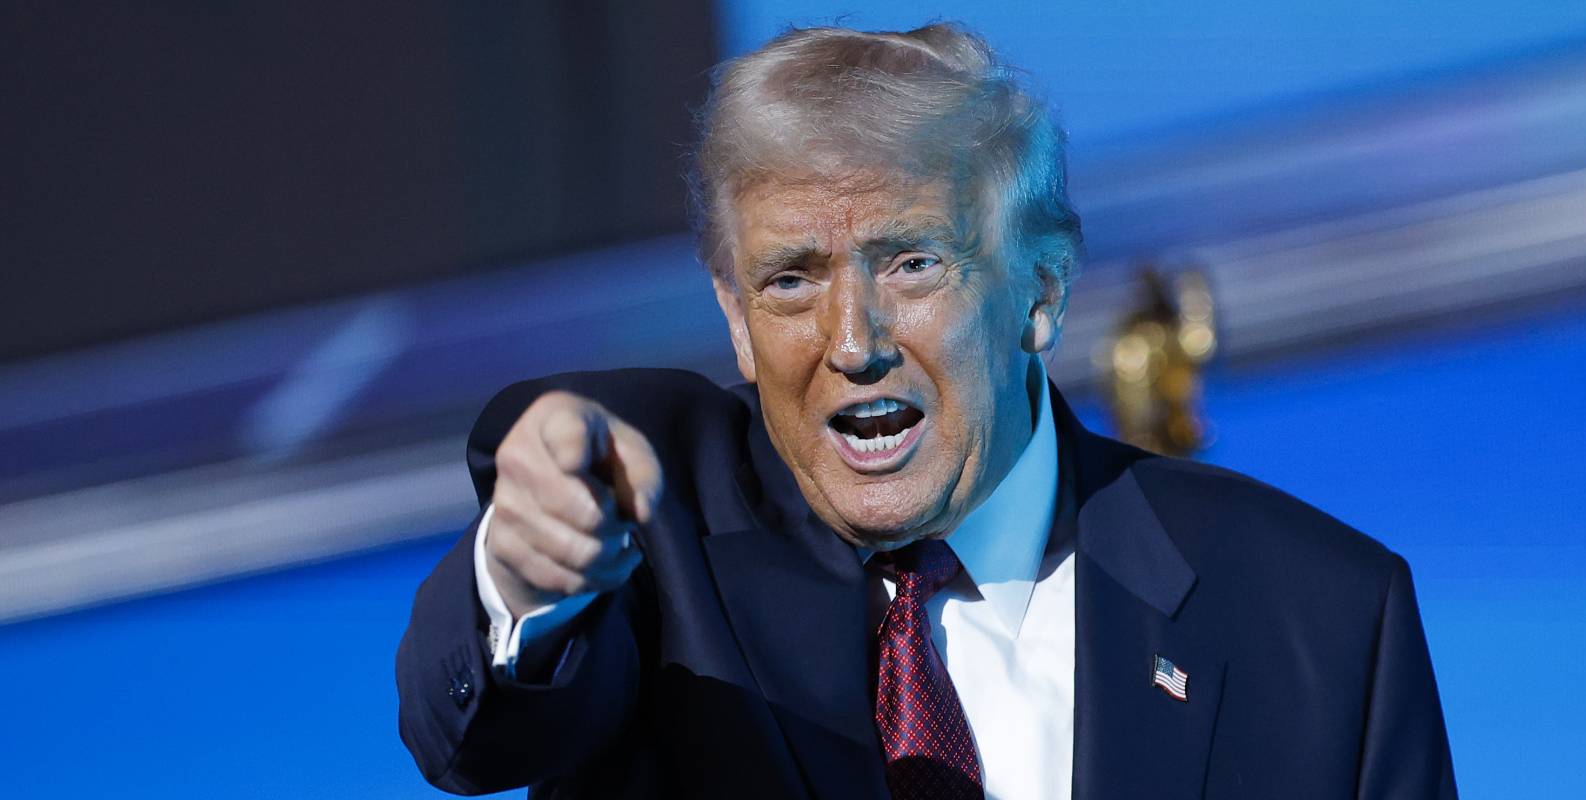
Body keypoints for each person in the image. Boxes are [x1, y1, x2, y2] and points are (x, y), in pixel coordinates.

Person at [396, 23, 1456, 799]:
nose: (853, 342)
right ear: (731, 315)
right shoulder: (666, 549)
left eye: (912, 263)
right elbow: (474, 738)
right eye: (791, 281)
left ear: (1040, 287)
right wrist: (526, 578)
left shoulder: (1318, 620)